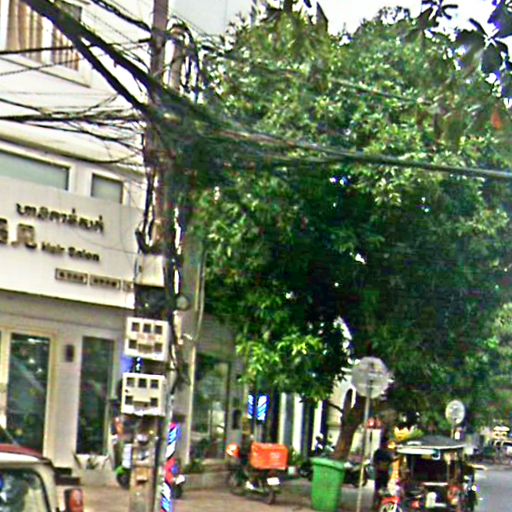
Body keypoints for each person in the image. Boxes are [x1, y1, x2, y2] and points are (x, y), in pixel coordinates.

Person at [372, 436, 394, 510]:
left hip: (382, 473)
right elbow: (390, 460)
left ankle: (378, 504)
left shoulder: (381, 452)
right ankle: (377, 504)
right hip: (381, 473)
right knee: (380, 490)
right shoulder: (384, 452)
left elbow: (390, 461)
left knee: (380, 490)